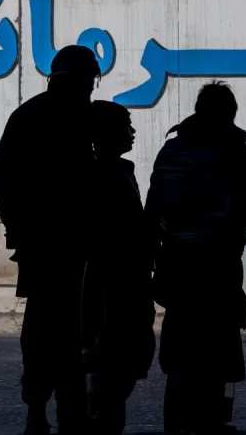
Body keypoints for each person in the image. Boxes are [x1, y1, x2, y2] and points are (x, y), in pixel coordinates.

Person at [0, 45, 101, 435]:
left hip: (40, 245)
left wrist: (18, 225)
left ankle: (39, 408)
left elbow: (0, 175)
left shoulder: (29, 115)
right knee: (75, 332)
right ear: (84, 80)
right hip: (73, 246)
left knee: (42, 329)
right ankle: (71, 411)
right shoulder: (82, 118)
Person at [146, 81, 246, 434]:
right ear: (231, 114)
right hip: (219, 267)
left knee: (180, 342)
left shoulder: (172, 149)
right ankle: (210, 419)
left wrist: (150, 257)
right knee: (217, 342)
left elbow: (153, 207)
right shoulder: (239, 153)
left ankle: (176, 418)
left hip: (176, 265)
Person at [80, 100, 157, 435]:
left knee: (122, 359)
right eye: (126, 124)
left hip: (129, 278)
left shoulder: (119, 171)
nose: (132, 131)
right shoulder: (100, 175)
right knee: (113, 358)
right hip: (114, 282)